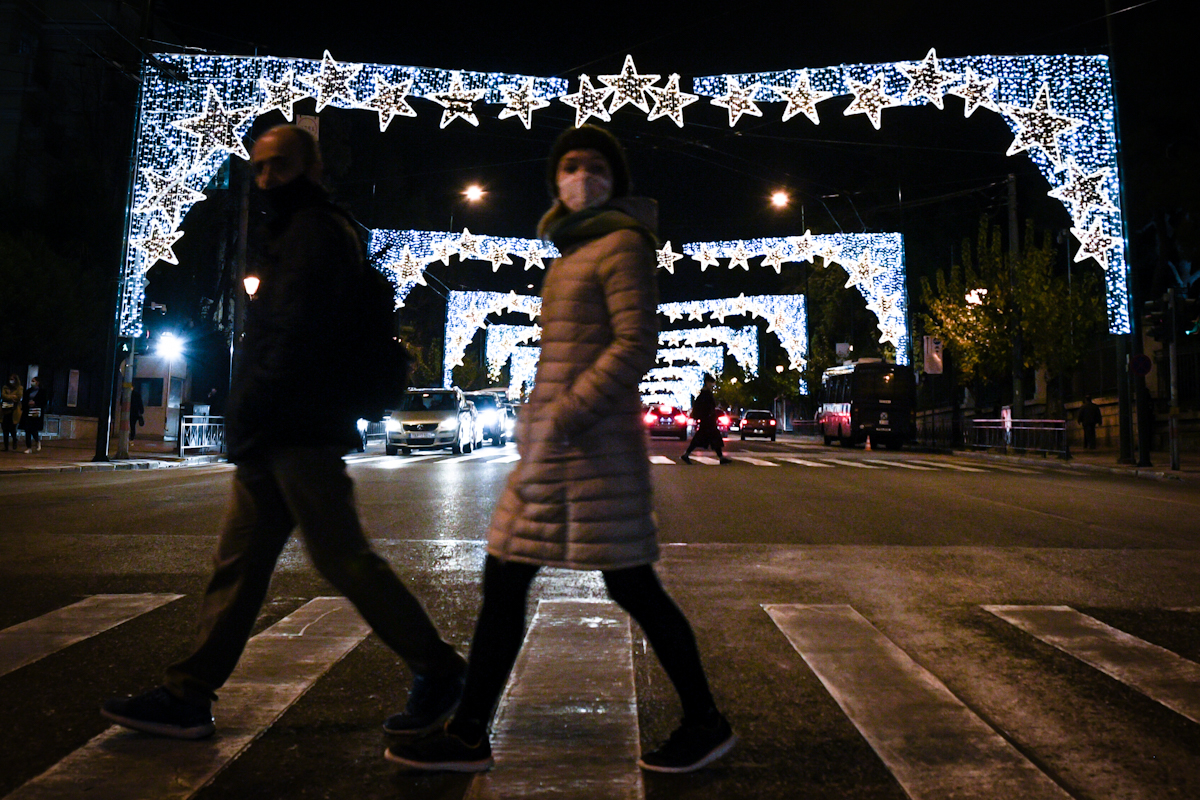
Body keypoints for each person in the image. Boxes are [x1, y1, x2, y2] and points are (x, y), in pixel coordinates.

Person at [385, 125, 735, 774]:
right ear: (554, 180)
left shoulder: (622, 245)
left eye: (597, 166)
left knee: (631, 586)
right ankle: (468, 732)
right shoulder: (571, 253)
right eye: (570, 165)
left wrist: (566, 413)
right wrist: (536, 422)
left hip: (591, 450)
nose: (582, 177)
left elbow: (634, 346)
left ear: (616, 181)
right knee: (507, 575)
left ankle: (705, 721)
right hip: (555, 450)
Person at [102, 124, 465, 740]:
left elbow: (296, 339)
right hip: (278, 431)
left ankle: (438, 667)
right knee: (239, 565)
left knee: (342, 558)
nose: (268, 178)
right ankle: (189, 694)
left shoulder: (315, 234)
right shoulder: (296, 232)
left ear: (313, 169)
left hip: (300, 430)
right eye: (261, 167)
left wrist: (258, 411)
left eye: (282, 166)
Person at [681, 374, 731, 464]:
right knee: (711, 438)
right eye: (712, 383)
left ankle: (721, 457)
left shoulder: (704, 394)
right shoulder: (705, 395)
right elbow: (706, 407)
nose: (713, 385)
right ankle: (721, 458)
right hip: (707, 420)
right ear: (707, 383)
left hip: (707, 420)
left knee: (710, 438)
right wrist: (708, 415)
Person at [21, 375, 46, 453]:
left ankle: (37, 440)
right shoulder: (28, 391)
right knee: (27, 429)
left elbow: (44, 401)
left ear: (38, 382)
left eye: (34, 381)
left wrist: (35, 403)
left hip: (36, 412)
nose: (32, 383)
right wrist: (27, 403)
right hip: (27, 412)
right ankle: (29, 447)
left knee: (33, 429)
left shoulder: (42, 392)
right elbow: (23, 400)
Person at [2, 374, 23, 452]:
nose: (11, 381)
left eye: (13, 379)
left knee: (12, 428)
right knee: (5, 429)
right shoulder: (5, 387)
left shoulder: (19, 388)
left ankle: (14, 440)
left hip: (14, 411)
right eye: (10, 379)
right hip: (5, 410)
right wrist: (12, 396)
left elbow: (18, 397)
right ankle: (6, 446)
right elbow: (3, 396)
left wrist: (9, 396)